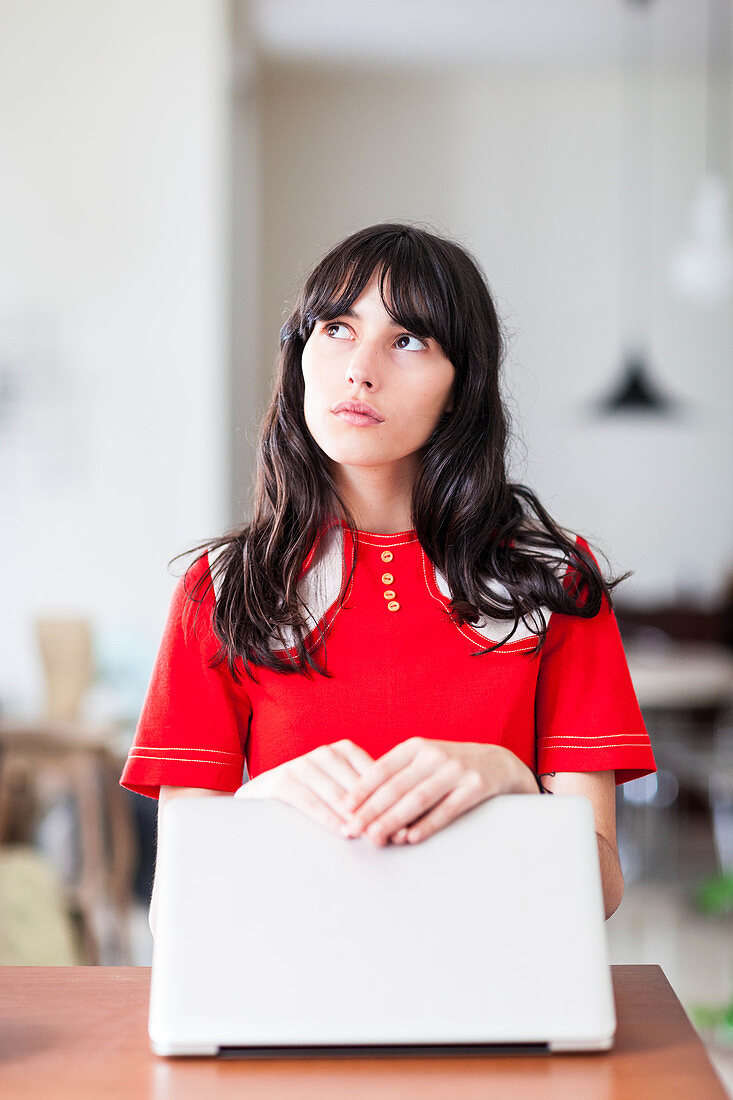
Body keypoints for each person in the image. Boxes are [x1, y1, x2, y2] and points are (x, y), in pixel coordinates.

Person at [119, 222, 656, 931]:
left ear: (462, 387)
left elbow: (600, 893)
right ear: (300, 357)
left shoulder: (552, 581)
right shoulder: (222, 587)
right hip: (288, 992)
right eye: (336, 328)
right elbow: (176, 911)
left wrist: (511, 781)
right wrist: (260, 805)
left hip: (496, 987)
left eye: (407, 341)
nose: (359, 368)